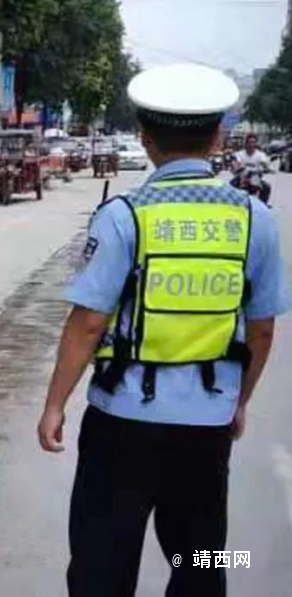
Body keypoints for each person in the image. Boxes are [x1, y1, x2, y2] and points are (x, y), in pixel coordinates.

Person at [37, 63, 289, 597]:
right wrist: (238, 402)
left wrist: (55, 404)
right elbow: (261, 331)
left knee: (103, 558)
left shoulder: (123, 216)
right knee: (201, 560)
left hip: (121, 425)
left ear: (145, 140)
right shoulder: (255, 220)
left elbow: (87, 323)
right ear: (219, 136)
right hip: (206, 428)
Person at [231, 133, 272, 202]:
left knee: (266, 187)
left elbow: (265, 163)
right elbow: (236, 163)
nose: (251, 145)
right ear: (246, 143)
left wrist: (266, 167)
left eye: (253, 142)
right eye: (249, 142)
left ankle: (263, 205)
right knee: (230, 186)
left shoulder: (260, 155)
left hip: (255, 178)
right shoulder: (239, 154)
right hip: (242, 178)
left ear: (256, 144)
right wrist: (236, 167)